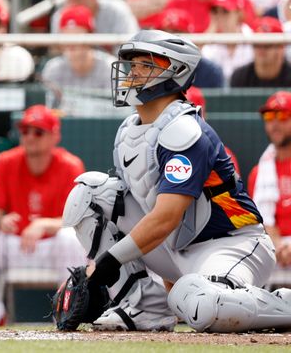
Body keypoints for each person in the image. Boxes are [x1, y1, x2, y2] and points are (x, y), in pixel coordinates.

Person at [62, 29, 285, 332]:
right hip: (178, 248)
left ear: (175, 71)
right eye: (132, 65)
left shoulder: (185, 131)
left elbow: (166, 217)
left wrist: (105, 265)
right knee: (89, 193)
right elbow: (149, 210)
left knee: (200, 302)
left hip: (231, 244)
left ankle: (283, 306)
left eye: (145, 65)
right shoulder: (129, 129)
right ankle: (143, 306)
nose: (132, 73)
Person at [0, 105, 86, 327]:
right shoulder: (6, 162)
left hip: (52, 248)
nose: (30, 137)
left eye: (38, 132)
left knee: (71, 237)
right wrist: (0, 221)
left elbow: (78, 220)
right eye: (25, 131)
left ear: (54, 136)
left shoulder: (70, 165)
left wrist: (45, 224)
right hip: (15, 246)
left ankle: (69, 310)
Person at [249, 91, 291, 270]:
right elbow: (262, 221)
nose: (274, 124)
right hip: (276, 251)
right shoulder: (259, 172)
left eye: (282, 116)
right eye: (269, 116)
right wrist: (278, 245)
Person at [41, 4, 115, 91]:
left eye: (77, 36)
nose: (71, 43)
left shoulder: (109, 67)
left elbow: (121, 103)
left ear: (90, 36)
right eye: (66, 37)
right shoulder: (54, 68)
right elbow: (48, 103)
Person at [230, 16, 291, 88]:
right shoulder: (239, 76)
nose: (261, 49)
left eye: (267, 45)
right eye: (257, 44)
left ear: (281, 47)